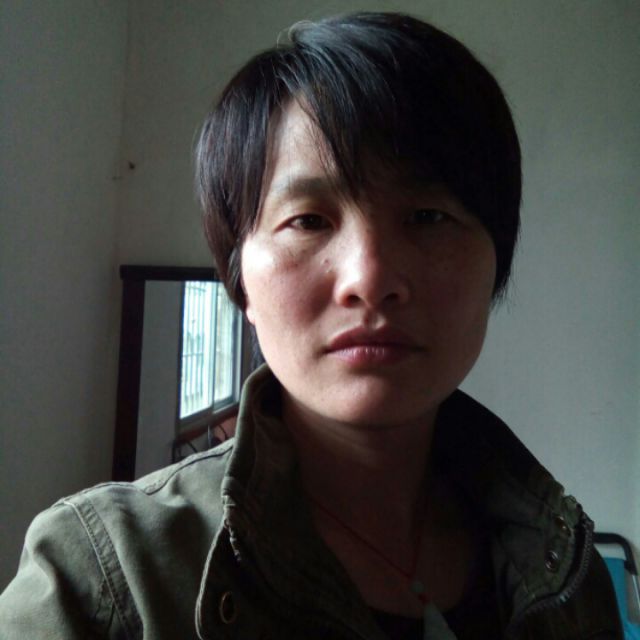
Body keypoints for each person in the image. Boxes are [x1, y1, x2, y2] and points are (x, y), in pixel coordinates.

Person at [0, 12, 622, 639]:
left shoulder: (574, 581)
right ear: (240, 278)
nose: (369, 278)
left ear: (496, 262)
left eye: (428, 216)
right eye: (308, 220)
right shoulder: (99, 582)